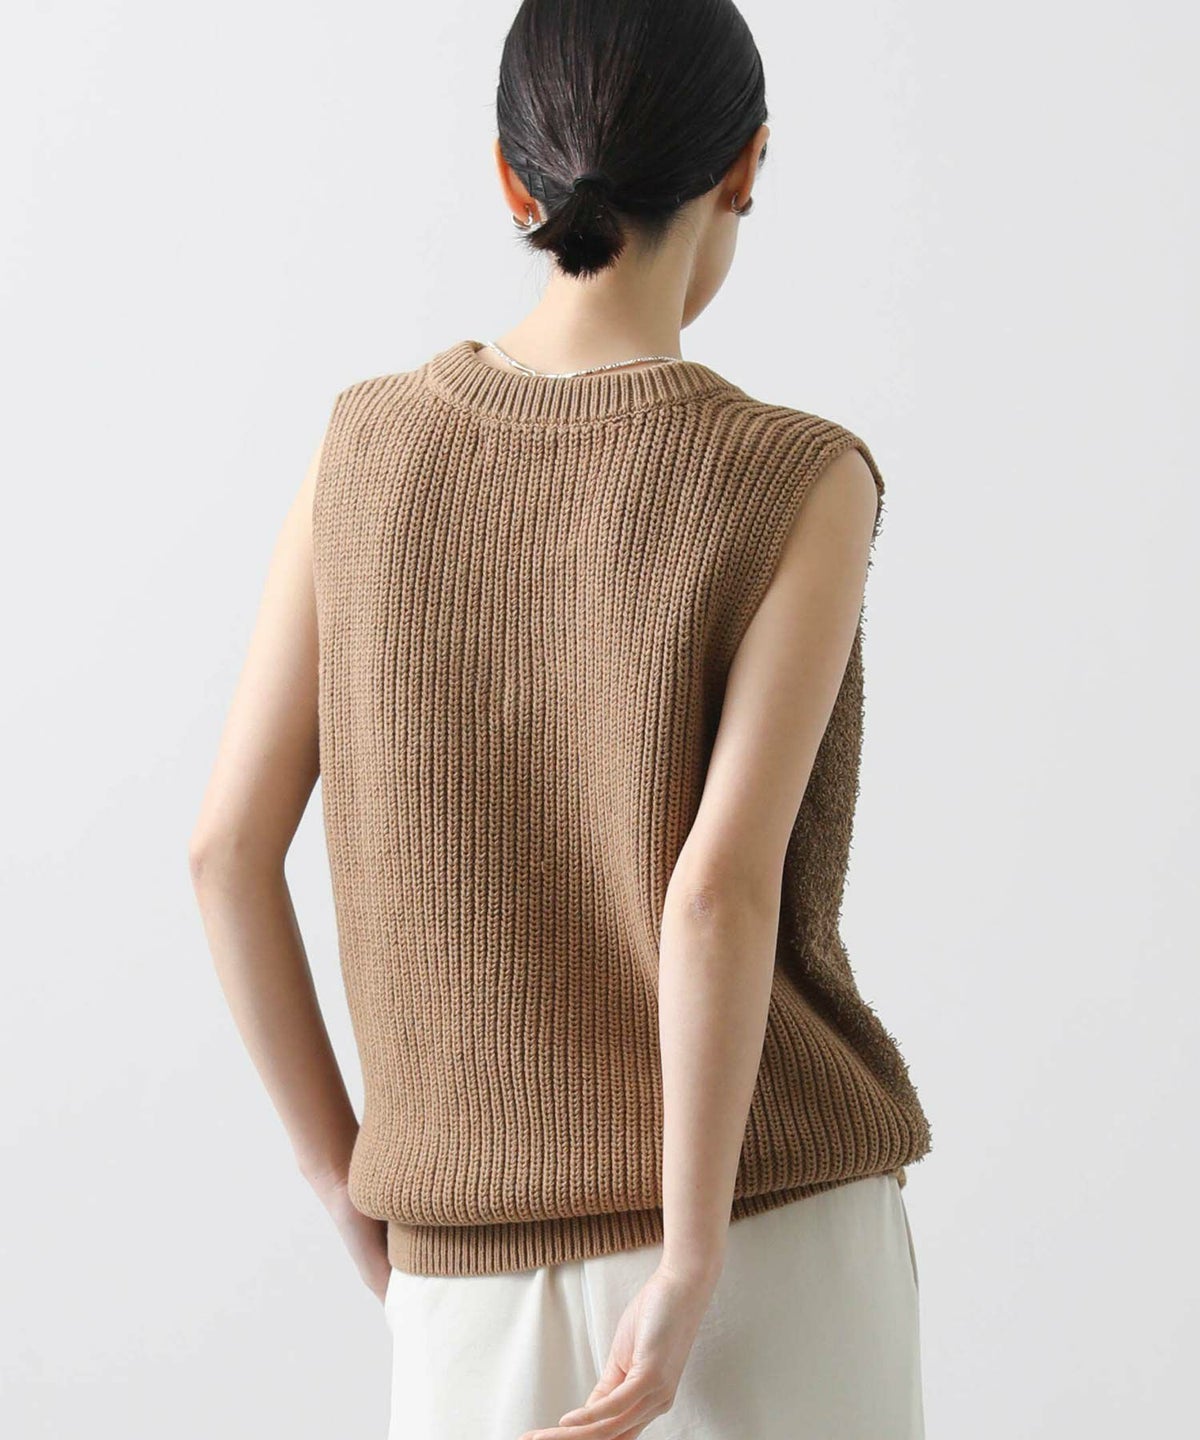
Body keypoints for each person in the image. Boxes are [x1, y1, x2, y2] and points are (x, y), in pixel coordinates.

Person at [187, 0, 934, 1435]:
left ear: (511, 177)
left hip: (462, 1266)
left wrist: (351, 1189)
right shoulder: (799, 477)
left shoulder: (366, 450)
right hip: (770, 1230)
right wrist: (690, 1256)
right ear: (747, 165)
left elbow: (226, 854)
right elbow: (714, 894)